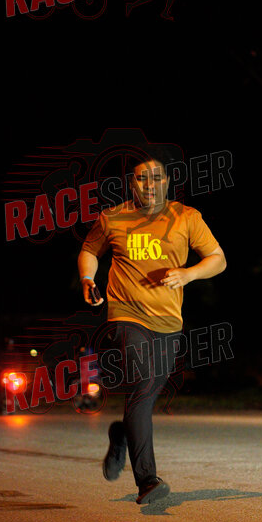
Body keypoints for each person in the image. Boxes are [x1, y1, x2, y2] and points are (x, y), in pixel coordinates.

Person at [78, 157, 226, 504]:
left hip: (169, 322)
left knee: (145, 394)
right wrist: (87, 279)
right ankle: (147, 480)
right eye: (142, 179)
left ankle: (122, 434)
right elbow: (89, 250)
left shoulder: (187, 217)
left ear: (168, 181)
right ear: (132, 184)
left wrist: (189, 274)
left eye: (156, 178)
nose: (149, 185)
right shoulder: (113, 217)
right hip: (125, 314)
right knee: (143, 386)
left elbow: (218, 259)